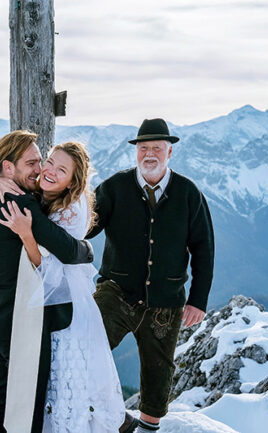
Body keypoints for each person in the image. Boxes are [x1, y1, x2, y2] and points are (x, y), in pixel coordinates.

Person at [0, 141, 126, 432]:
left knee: (6, 397)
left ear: (72, 182)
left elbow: (60, 252)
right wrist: (87, 251)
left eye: (45, 162)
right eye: (36, 163)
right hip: (15, 319)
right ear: (8, 168)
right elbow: (68, 252)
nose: (42, 169)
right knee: (22, 402)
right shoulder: (22, 202)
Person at [87, 118, 215, 433]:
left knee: (159, 372)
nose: (149, 154)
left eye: (157, 148)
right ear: (136, 152)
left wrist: (198, 300)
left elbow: (203, 249)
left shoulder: (188, 193)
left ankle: (146, 429)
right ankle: (86, 410)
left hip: (166, 301)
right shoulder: (114, 188)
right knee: (86, 346)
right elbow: (85, 226)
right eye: (143, 148)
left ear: (169, 153)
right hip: (116, 291)